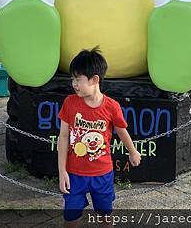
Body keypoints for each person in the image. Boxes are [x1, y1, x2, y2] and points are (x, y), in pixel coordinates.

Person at [57, 47, 141, 225]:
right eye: (72, 79)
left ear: (95, 79)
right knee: (71, 218)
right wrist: (62, 170)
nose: (74, 84)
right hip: (74, 174)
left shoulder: (112, 106)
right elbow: (63, 136)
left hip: (102, 174)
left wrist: (133, 151)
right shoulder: (70, 103)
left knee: (105, 216)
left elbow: (121, 130)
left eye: (78, 79)